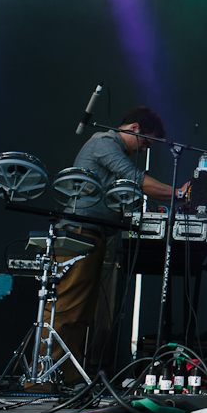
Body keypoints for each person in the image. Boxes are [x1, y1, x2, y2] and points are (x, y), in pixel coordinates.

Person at [43, 106, 185, 387]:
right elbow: (135, 178)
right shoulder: (104, 143)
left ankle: (66, 378)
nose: (143, 150)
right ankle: (42, 378)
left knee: (81, 312)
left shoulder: (111, 148)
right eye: (145, 142)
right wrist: (179, 194)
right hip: (78, 233)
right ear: (133, 128)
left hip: (92, 235)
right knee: (66, 308)